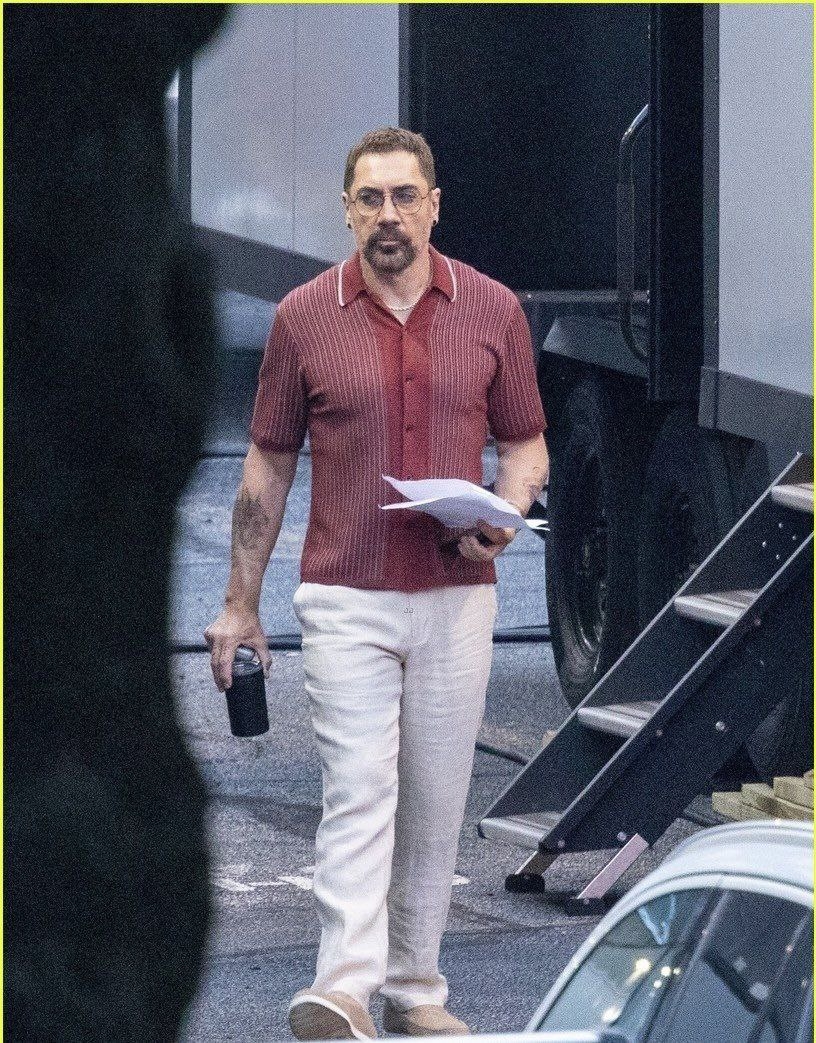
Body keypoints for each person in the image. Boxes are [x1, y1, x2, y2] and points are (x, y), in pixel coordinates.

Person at [204, 127, 549, 1040]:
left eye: (403, 197)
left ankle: (414, 989)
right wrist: (240, 603)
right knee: (360, 790)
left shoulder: (493, 310)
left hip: (457, 596)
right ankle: (343, 988)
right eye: (370, 199)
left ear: (434, 206)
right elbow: (267, 466)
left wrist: (506, 512)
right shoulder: (303, 318)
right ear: (347, 212)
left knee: (435, 798)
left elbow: (525, 444)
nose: (387, 215)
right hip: (345, 594)